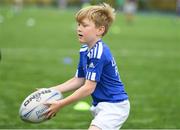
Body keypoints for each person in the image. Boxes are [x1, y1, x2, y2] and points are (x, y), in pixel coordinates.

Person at [44, 3, 130, 130]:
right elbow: (78, 80)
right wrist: (49, 91)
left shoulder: (99, 52)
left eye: (84, 25)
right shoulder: (85, 49)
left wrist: (60, 104)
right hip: (101, 104)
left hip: (114, 106)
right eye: (78, 24)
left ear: (100, 30)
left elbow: (88, 88)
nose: (79, 28)